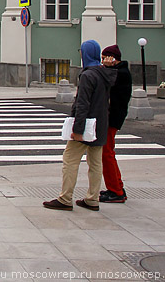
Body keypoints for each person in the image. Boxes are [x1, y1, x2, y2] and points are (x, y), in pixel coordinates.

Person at [44, 40, 116, 211]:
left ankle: (65, 198)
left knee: (70, 160)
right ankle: (93, 199)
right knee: (95, 163)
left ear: (85, 54)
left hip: (86, 125)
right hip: (100, 125)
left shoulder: (88, 75)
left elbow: (83, 104)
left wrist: (77, 130)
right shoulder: (104, 73)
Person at [100, 44, 132, 203]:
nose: (102, 61)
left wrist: (106, 67)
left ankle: (116, 191)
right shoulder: (120, 71)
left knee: (107, 153)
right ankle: (116, 186)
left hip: (112, 117)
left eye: (104, 58)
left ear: (112, 58)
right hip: (113, 116)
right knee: (108, 152)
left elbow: (105, 79)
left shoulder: (121, 73)